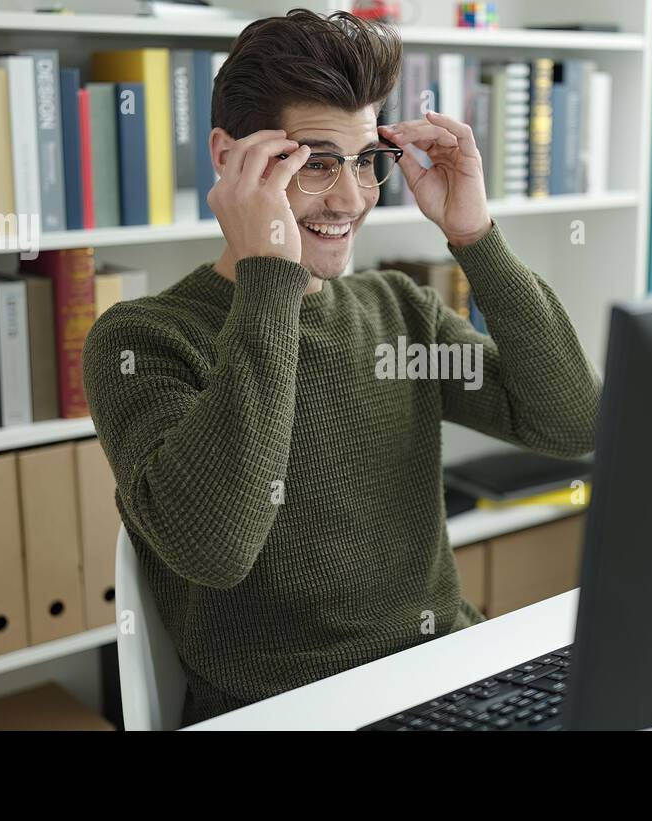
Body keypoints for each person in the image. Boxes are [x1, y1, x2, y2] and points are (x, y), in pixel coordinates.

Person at [82, 9, 600, 725]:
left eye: (364, 162)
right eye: (316, 163)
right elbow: (216, 546)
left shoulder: (396, 308)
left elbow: (573, 422)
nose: (353, 198)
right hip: (293, 714)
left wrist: (476, 237)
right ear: (230, 158)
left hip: (449, 676)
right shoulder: (141, 340)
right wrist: (271, 273)